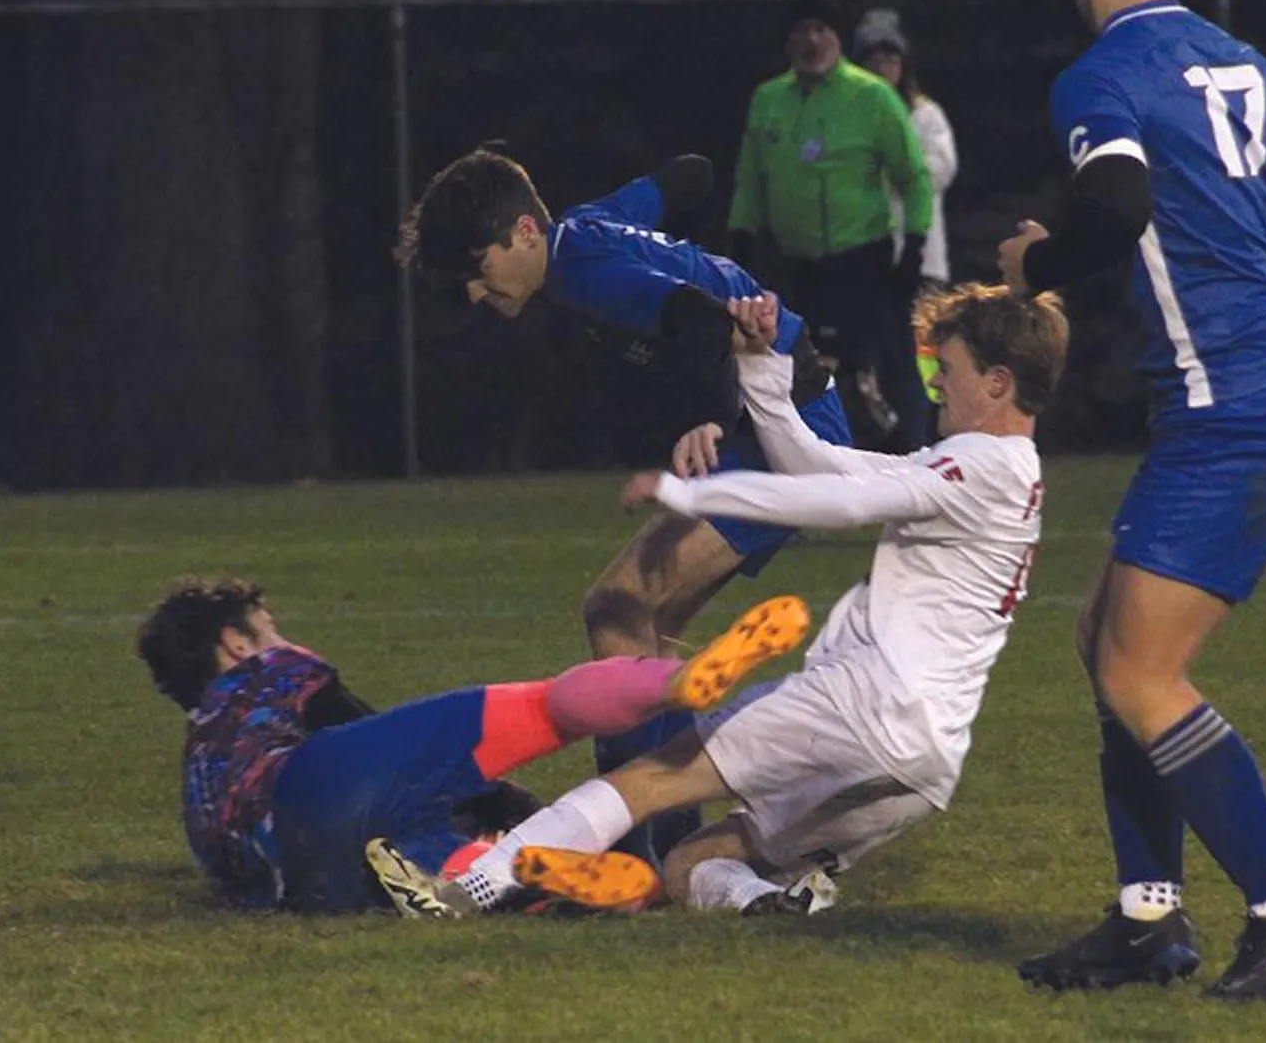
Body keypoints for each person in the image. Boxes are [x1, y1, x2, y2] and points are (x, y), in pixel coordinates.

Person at [367, 284, 1069, 920]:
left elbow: (843, 501)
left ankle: (463, 889)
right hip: (925, 762)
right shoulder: (1002, 469)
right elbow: (826, 467)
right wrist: (762, 367)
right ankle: (771, 902)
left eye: (948, 368)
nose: (936, 381)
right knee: (692, 865)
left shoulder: (978, 463)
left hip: (866, 707)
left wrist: (692, 493)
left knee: (648, 778)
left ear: (998, 383)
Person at [996, 0, 1266, 1000]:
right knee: (1101, 639)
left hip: (1236, 402)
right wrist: (1258, 337)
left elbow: (1118, 206)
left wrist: (1034, 267)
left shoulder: (1103, 74)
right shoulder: (1247, 63)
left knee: (1139, 671)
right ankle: (1149, 916)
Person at [397, 146, 852, 868]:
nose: (477, 293)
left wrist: (707, 415)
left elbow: (699, 322)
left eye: (478, 268)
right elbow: (692, 173)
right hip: (781, 418)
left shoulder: (585, 270)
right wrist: (694, 239)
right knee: (651, 634)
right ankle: (677, 834)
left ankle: (632, 836)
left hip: (783, 430)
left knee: (616, 608)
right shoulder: (588, 227)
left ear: (523, 232)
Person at [136, 576, 808, 915]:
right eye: (269, 626)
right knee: (542, 707)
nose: (279, 637)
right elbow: (346, 721)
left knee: (451, 872)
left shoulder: (200, 770)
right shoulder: (264, 673)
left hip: (307, 882)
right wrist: (485, 788)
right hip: (316, 784)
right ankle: (674, 681)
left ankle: (514, 880)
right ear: (237, 643)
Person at [729, 0, 936, 452]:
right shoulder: (769, 100)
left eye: (822, 29)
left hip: (861, 259)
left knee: (879, 366)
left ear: (839, 38)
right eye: (801, 30)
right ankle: (813, 461)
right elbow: (749, 181)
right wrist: (742, 236)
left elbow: (915, 178)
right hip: (798, 265)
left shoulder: (872, 96)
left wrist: (914, 247)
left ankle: (914, 455)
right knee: (799, 370)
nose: (812, 40)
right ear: (787, 41)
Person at [853, 8, 960, 288]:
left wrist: (897, 166)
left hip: (922, 261)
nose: (882, 68)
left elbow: (941, 169)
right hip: (862, 256)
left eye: (890, 59)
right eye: (873, 60)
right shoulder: (847, 117)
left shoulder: (925, 114)